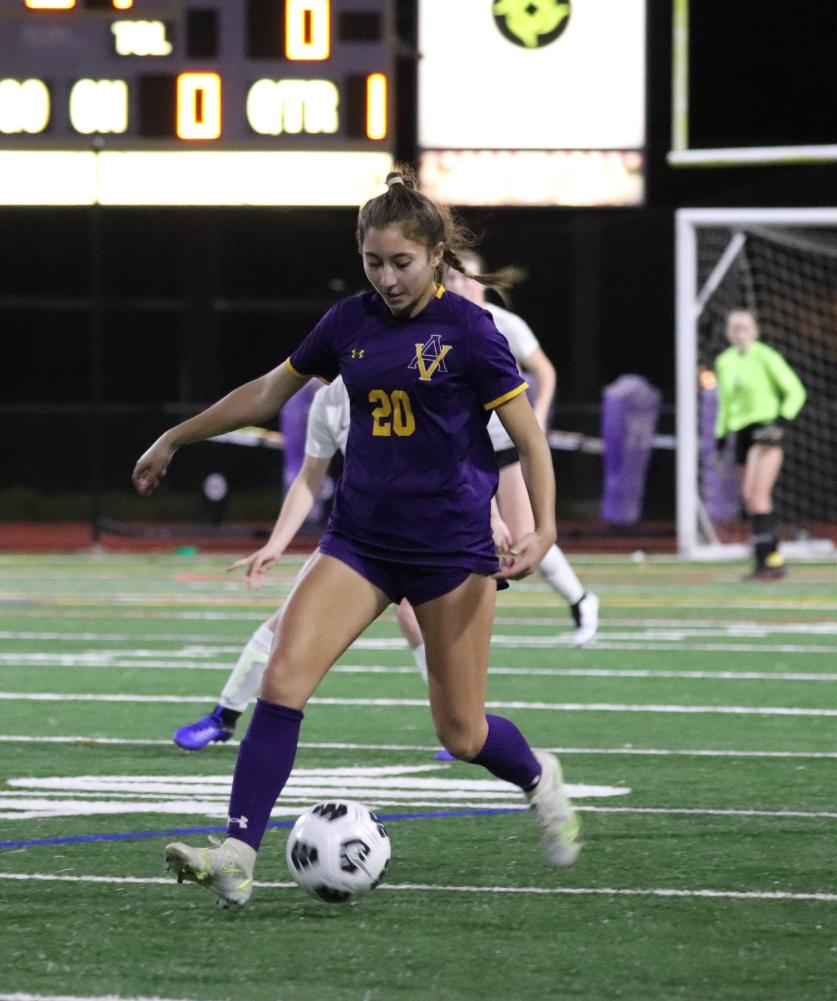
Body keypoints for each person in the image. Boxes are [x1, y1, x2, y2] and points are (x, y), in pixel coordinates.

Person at [133, 167, 582, 909]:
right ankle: (237, 853)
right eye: (374, 262)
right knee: (282, 680)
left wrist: (543, 529)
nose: (387, 276)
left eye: (400, 262)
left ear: (436, 253)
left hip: (449, 552)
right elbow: (267, 393)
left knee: (462, 732)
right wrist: (175, 437)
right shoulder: (349, 322)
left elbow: (529, 440)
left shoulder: (471, 332)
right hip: (360, 541)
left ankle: (539, 777)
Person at [171, 376, 430, 752]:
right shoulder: (330, 399)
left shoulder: (409, 386)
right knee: (287, 619)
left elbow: (460, 458)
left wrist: (492, 517)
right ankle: (224, 716)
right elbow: (310, 479)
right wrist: (276, 544)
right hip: (363, 540)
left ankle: (463, 729)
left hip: (431, 535)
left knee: (421, 625)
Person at [446, 252, 600, 645]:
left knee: (520, 537)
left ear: (483, 281)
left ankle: (581, 600)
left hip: (502, 444)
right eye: (451, 278)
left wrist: (539, 417)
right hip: (458, 448)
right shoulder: (439, 326)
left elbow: (545, 371)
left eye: (466, 278)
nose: (459, 284)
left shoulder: (504, 324)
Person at [713, 308, 806, 580]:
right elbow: (725, 404)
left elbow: (795, 391)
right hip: (740, 434)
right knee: (749, 500)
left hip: (764, 432)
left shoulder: (765, 356)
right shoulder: (724, 361)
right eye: (734, 327)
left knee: (758, 496)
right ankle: (764, 560)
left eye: (744, 327)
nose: (739, 332)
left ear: (755, 330)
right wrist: (720, 436)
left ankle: (770, 561)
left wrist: (780, 422)